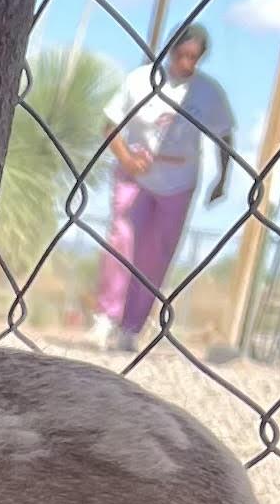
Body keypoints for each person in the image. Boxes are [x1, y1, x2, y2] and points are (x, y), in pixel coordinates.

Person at [94, 24, 235, 349]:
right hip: (136, 174)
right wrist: (127, 158)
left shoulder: (208, 93)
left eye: (194, 58)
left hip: (179, 180)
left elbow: (225, 137)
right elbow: (110, 126)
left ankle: (131, 327)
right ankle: (107, 315)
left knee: (155, 256)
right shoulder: (140, 80)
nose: (187, 64)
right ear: (170, 51)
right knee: (122, 242)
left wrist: (223, 178)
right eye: (182, 55)